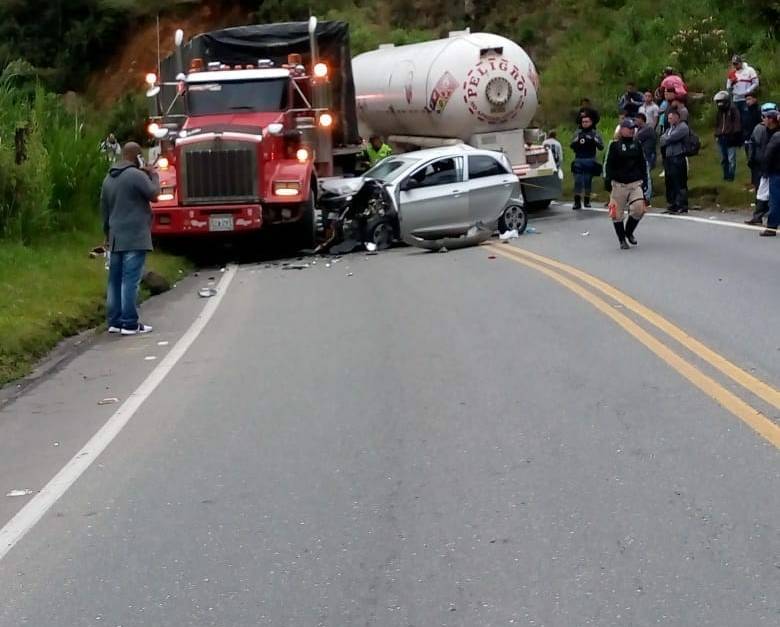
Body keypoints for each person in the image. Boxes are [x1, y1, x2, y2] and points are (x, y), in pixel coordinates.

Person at [101, 142, 160, 335]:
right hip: (135, 236)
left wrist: (107, 235)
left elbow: (104, 211)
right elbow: (154, 194)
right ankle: (129, 323)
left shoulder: (108, 178)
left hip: (115, 236)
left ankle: (114, 321)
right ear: (137, 157)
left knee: (114, 281)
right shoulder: (136, 175)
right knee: (130, 281)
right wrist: (153, 174)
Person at [604, 118, 648, 249]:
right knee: (617, 214)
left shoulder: (637, 144)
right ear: (622, 130)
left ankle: (629, 232)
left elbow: (642, 163)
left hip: (635, 183)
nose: (631, 130)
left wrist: (645, 180)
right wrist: (608, 180)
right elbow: (609, 164)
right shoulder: (614, 145)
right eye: (629, 128)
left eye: (633, 128)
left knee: (639, 209)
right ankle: (622, 239)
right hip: (619, 184)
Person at [745, 102, 778, 225]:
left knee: (774, 195)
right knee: (761, 192)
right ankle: (758, 216)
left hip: (775, 168)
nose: (763, 119)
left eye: (765, 117)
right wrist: (752, 160)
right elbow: (753, 144)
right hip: (763, 166)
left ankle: (771, 220)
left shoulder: (776, 133)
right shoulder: (760, 129)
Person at [570, 115, 604, 209]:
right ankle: (577, 202)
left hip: (590, 159)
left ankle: (587, 201)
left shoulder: (594, 134)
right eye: (583, 122)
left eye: (586, 122)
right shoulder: (578, 133)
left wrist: (593, 140)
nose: (584, 124)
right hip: (579, 159)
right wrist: (577, 142)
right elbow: (571, 145)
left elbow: (601, 146)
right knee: (578, 181)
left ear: (591, 122)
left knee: (587, 181)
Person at [659, 109, 690, 214]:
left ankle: (682, 204)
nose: (669, 120)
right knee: (669, 182)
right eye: (668, 118)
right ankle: (672, 204)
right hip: (669, 158)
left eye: (671, 118)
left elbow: (670, 138)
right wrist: (666, 138)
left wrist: (666, 138)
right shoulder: (669, 129)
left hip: (678, 156)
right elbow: (662, 139)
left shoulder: (683, 127)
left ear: (677, 117)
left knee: (679, 182)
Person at [758, 108, 780, 236]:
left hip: (776, 172)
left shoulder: (776, 136)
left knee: (775, 200)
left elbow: (768, 154)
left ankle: (771, 226)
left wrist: (765, 170)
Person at [713, 90, 742, 181]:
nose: (720, 104)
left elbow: (737, 123)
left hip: (730, 137)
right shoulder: (719, 112)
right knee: (723, 158)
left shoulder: (733, 110)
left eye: (721, 101)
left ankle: (731, 175)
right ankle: (725, 175)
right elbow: (717, 124)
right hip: (721, 137)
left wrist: (735, 135)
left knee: (731, 159)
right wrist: (716, 134)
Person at [726, 55, 759, 133]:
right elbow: (728, 86)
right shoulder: (732, 73)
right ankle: (740, 137)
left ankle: (748, 136)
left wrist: (748, 90)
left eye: (736, 63)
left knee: (746, 120)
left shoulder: (749, 70)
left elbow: (756, 83)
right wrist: (731, 86)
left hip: (746, 99)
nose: (735, 65)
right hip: (736, 99)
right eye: (734, 64)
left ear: (741, 62)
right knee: (737, 120)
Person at [635, 112, 657, 200]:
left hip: (648, 155)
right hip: (643, 155)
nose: (635, 122)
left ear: (641, 119)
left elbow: (636, 138)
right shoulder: (640, 129)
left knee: (647, 176)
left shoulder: (647, 129)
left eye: (636, 120)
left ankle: (647, 195)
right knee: (643, 175)